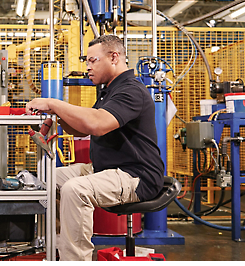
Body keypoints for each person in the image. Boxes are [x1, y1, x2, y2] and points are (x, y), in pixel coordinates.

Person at [25, 35, 164, 261]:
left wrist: (53, 103)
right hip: (103, 169)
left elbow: (97, 124)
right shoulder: (109, 90)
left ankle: (75, 261)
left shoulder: (131, 91)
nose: (87, 67)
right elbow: (81, 130)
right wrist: (57, 116)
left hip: (136, 175)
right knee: (42, 179)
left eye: (93, 61)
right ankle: (52, 250)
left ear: (114, 57)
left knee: (74, 189)